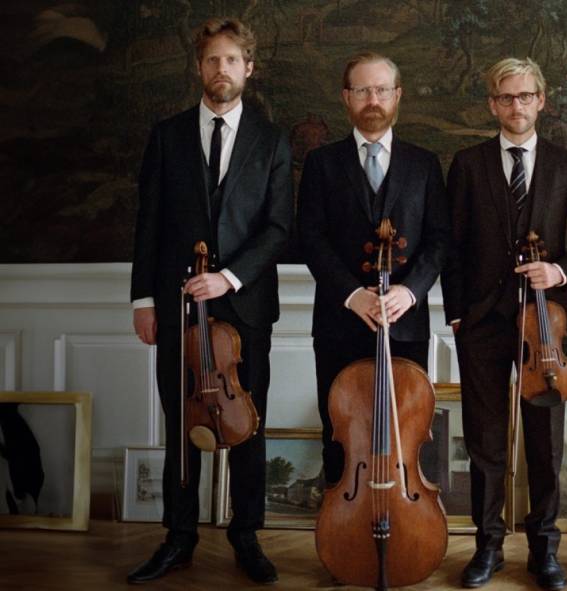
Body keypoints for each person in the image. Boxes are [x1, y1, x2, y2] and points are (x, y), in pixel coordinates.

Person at [128, 17, 292, 585]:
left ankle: (247, 536)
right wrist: (143, 301)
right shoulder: (167, 134)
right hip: (175, 305)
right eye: (211, 60)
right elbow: (148, 221)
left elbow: (277, 227)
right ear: (199, 68)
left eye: (231, 60)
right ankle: (179, 538)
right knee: (182, 421)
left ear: (248, 68)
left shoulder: (272, 140)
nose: (221, 70)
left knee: (249, 422)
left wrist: (230, 279)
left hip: (245, 307)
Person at [441, 57, 567, 590]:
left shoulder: (566, 163)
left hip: (546, 325)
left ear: (542, 100)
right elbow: (453, 245)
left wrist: (559, 270)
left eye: (526, 96)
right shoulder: (467, 163)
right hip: (483, 320)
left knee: (544, 439)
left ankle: (544, 549)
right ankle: (487, 546)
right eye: (506, 98)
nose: (516, 106)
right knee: (485, 438)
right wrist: (459, 313)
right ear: (493, 104)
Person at [297, 52, 450, 488]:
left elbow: (440, 238)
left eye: (382, 89)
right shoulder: (321, 163)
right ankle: (342, 537)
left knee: (403, 431)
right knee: (340, 436)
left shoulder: (424, 165)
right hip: (338, 323)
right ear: (346, 98)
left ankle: (404, 525)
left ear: (397, 95)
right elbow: (311, 238)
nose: (373, 99)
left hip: (405, 324)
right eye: (362, 90)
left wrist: (411, 291)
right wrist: (352, 294)